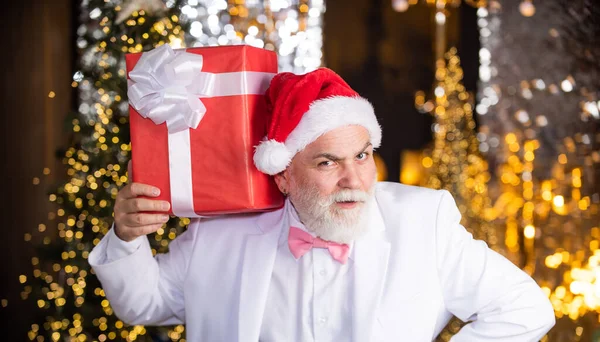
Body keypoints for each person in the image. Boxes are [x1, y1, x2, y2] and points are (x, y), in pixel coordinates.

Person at [89, 68, 555, 341]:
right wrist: (127, 238)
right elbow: (143, 305)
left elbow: (524, 307)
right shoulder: (221, 230)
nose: (354, 180)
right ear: (284, 174)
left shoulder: (422, 220)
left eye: (362, 156)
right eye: (328, 162)